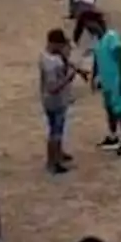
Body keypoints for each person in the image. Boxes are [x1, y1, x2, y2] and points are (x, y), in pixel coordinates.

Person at [82, 12, 121, 157]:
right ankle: (113, 136)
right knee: (110, 109)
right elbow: (97, 59)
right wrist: (94, 76)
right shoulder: (97, 40)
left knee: (120, 111)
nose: (89, 30)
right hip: (106, 82)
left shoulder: (112, 38)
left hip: (116, 81)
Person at [40, 29, 87, 175]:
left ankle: (58, 154)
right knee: (56, 132)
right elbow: (53, 88)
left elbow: (65, 61)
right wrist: (69, 78)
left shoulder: (46, 56)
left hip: (52, 100)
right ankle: (53, 163)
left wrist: (77, 70)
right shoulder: (52, 65)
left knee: (57, 130)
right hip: (55, 101)